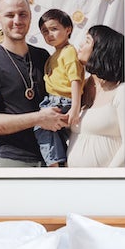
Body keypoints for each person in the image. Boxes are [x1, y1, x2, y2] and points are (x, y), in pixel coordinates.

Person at [0, 0, 68, 167]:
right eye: (10, 15)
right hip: (14, 161)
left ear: (30, 18)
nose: (17, 20)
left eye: (23, 14)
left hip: (54, 159)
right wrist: (38, 118)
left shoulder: (43, 56)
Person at [66, 24, 125, 169]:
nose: (80, 44)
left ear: (101, 50)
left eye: (87, 41)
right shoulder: (79, 89)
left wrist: (109, 177)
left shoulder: (122, 91)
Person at [33, 9, 82, 167]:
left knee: (41, 124)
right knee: (55, 132)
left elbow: (75, 79)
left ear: (68, 29)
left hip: (63, 100)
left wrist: (75, 107)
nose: (49, 34)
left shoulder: (68, 52)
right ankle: (62, 162)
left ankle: (54, 164)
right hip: (54, 99)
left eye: (54, 29)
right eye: (45, 32)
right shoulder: (55, 54)